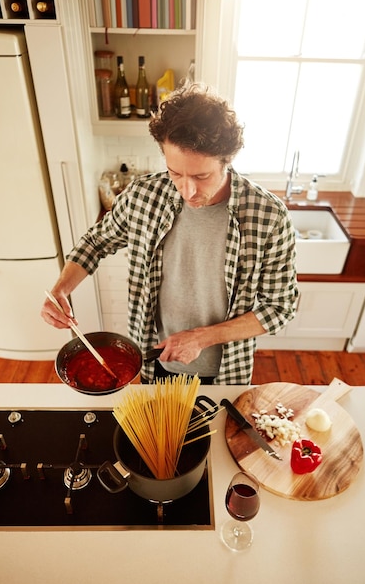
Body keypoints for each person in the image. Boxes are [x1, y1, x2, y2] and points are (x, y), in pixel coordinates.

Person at [41, 83, 298, 385]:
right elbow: (96, 242)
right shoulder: (142, 195)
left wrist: (202, 338)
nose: (187, 190)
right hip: (153, 362)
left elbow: (279, 307)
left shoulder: (268, 216)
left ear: (227, 160)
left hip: (226, 372)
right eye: (175, 173)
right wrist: (61, 289)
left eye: (201, 176)